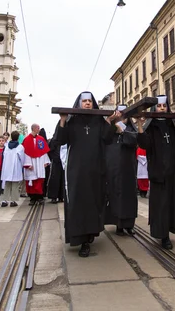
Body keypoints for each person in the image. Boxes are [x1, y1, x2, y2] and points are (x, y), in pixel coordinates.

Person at [56, 91, 120, 257]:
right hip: (76, 170)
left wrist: (110, 122)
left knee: (93, 202)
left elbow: (107, 139)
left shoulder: (98, 120)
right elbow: (61, 140)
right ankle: (80, 239)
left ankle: (89, 236)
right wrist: (62, 120)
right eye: (84, 101)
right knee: (78, 202)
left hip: (95, 169)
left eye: (89, 101)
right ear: (79, 103)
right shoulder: (72, 120)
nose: (87, 104)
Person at [137, 95, 175, 250]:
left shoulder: (172, 124)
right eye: (159, 106)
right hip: (159, 174)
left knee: (174, 203)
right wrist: (140, 126)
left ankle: (169, 230)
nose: (162, 108)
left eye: (164, 106)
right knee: (161, 205)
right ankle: (163, 236)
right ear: (155, 108)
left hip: (174, 173)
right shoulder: (152, 125)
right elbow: (145, 144)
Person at [105, 105, 138, 236]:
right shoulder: (111, 128)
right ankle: (118, 224)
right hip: (113, 167)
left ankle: (129, 225)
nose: (122, 118)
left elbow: (134, 140)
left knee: (129, 195)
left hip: (128, 167)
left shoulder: (130, 128)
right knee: (116, 194)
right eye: (119, 115)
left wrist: (122, 131)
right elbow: (105, 138)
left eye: (124, 116)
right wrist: (113, 126)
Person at [22, 124, 51, 205]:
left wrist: (46, 161)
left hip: (39, 162)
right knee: (31, 180)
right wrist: (28, 164)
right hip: (31, 162)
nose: (39, 129)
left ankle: (39, 197)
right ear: (34, 129)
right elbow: (25, 153)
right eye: (38, 128)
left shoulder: (41, 139)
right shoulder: (27, 139)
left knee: (39, 180)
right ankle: (32, 198)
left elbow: (44, 152)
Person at [0, 131, 25, 207]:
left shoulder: (7, 146)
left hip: (7, 167)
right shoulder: (20, 147)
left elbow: (4, 155)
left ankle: (5, 200)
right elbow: (22, 158)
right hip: (15, 167)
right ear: (18, 138)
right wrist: (22, 165)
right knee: (15, 184)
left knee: (7, 184)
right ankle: (13, 201)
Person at [47, 135, 65, 204]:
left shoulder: (65, 139)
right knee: (55, 179)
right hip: (56, 162)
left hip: (64, 162)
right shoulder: (54, 140)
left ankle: (61, 196)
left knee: (62, 179)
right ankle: (53, 197)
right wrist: (55, 158)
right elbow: (50, 151)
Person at [39, 128, 51, 199]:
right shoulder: (47, 143)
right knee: (45, 178)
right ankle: (44, 192)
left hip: (39, 163)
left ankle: (39, 193)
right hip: (46, 163)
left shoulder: (39, 142)